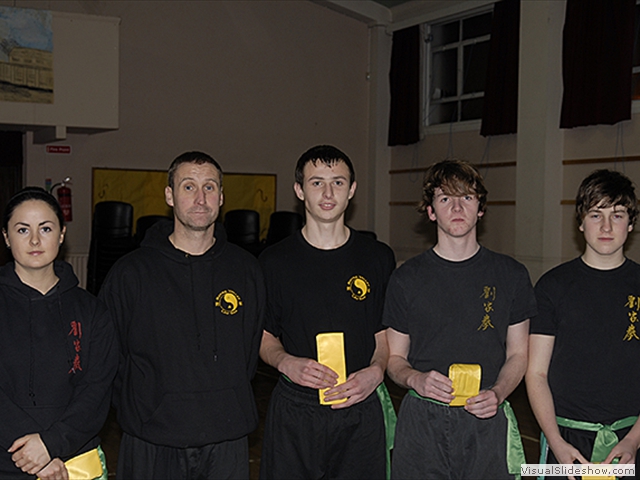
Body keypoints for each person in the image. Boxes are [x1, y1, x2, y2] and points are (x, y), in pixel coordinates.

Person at [99, 151, 265, 479]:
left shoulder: (246, 269)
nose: (200, 198)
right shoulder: (130, 273)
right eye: (188, 187)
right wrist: (146, 405)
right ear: (169, 195)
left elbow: (248, 353)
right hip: (152, 439)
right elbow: (108, 358)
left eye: (209, 187)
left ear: (221, 196)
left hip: (226, 437)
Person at [384, 159, 536, 479]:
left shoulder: (511, 275)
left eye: (467, 197)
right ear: (430, 211)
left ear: (480, 208)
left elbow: (519, 355)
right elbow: (394, 358)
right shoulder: (405, 278)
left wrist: (498, 393)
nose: (456, 207)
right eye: (445, 199)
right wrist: (416, 379)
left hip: (487, 418)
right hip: (422, 422)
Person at [258, 145, 396, 479]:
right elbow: (263, 335)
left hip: (360, 405)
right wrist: (285, 361)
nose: (328, 192)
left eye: (337, 182)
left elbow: (385, 333)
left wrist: (376, 371)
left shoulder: (378, 257)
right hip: (295, 409)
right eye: (317, 182)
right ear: (299, 190)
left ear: (352, 190)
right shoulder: (272, 261)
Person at [526, 169, 640, 479]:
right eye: (595, 214)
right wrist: (555, 441)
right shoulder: (552, 286)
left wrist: (633, 440)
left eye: (617, 215)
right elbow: (536, 372)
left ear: (630, 224)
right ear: (580, 222)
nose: (606, 226)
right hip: (567, 441)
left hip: (631, 441)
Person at [0, 187, 117, 480]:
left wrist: (51, 444)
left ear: (62, 234)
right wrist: (35, 454)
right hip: (6, 460)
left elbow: (97, 390)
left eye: (46, 228)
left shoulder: (92, 311)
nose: (35, 240)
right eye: (23, 229)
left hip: (73, 461)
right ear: (6, 237)